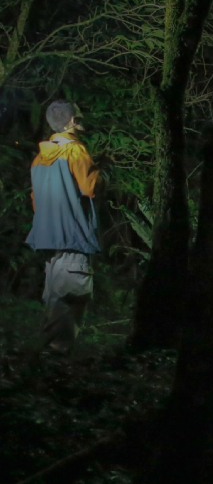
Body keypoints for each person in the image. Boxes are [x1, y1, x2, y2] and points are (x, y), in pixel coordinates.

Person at [26, 100, 101, 354]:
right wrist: (103, 169)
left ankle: (44, 361)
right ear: (71, 122)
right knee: (69, 301)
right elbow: (91, 187)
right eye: (78, 117)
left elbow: (36, 201)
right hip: (73, 237)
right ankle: (55, 364)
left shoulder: (39, 159)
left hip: (49, 240)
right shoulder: (76, 152)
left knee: (54, 301)